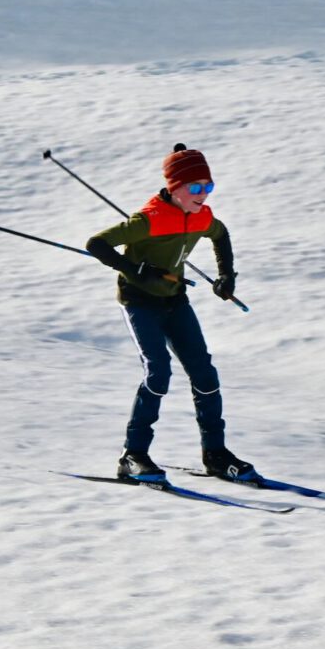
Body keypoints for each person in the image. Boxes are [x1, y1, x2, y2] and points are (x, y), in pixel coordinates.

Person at [86, 143, 256, 484]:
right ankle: (132, 456)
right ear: (174, 187)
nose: (203, 194)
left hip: (175, 301)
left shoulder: (201, 216)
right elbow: (97, 244)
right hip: (139, 301)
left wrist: (227, 277)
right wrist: (136, 271)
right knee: (158, 373)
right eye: (195, 187)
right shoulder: (148, 220)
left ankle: (216, 455)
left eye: (208, 187)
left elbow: (221, 236)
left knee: (205, 375)